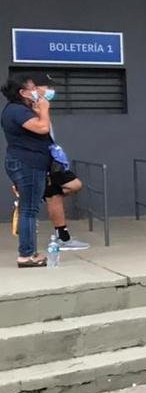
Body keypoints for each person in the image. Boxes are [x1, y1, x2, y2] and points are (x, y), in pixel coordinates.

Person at [32, 76, 90, 251]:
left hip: (51, 158)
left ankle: (62, 237)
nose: (51, 90)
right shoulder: (31, 108)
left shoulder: (41, 106)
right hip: (44, 160)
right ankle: (61, 238)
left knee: (54, 196)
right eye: (47, 86)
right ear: (36, 88)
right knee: (73, 185)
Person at [2, 74, 53, 266]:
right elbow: (42, 128)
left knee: (27, 209)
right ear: (23, 92)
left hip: (26, 163)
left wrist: (38, 106)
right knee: (29, 210)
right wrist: (45, 108)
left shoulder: (20, 109)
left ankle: (28, 253)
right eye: (33, 88)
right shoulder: (16, 111)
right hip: (27, 164)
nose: (37, 91)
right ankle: (27, 255)